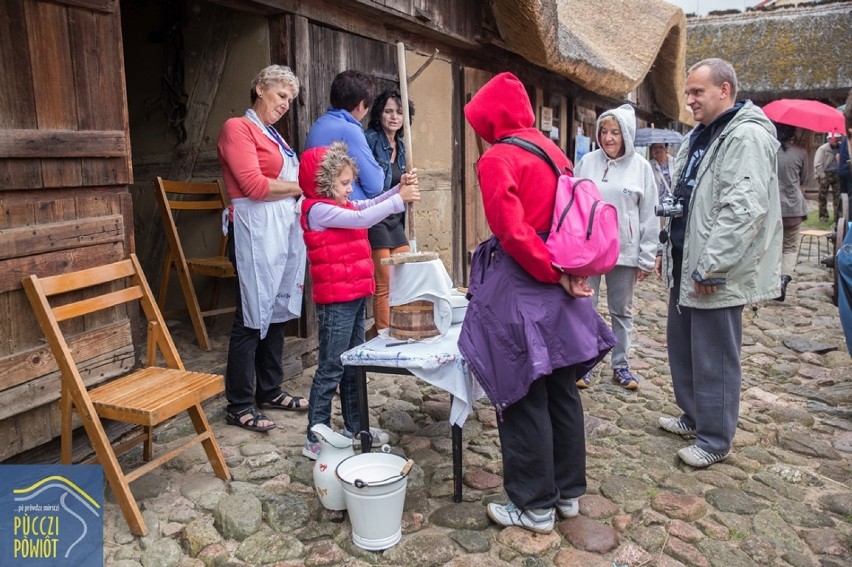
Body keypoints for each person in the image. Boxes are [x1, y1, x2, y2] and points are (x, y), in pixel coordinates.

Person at [460, 72, 616, 534]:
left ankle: (533, 505)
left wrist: (551, 272)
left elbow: (511, 231)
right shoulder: (554, 151)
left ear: (488, 119)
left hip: (527, 284)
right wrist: (566, 273)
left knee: (523, 393)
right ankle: (567, 493)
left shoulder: (497, 158)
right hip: (563, 287)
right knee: (561, 391)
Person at [656, 58, 781, 468]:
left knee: (715, 355)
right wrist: (667, 251)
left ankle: (715, 439)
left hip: (715, 270)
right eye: (688, 92)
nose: (689, 100)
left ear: (724, 90)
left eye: (697, 92)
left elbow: (743, 209)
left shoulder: (744, 137)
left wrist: (713, 265)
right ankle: (694, 417)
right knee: (684, 348)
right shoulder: (700, 135)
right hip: (685, 258)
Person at [298, 142, 420, 460]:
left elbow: (368, 204)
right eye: (344, 183)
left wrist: (397, 190)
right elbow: (364, 219)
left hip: (354, 295)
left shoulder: (342, 204)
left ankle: (355, 427)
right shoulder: (317, 209)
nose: (350, 188)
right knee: (330, 368)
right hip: (335, 300)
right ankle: (315, 434)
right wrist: (398, 202)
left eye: (350, 181)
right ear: (324, 183)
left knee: (353, 366)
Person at [217, 64, 309, 432]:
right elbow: (254, 186)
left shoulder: (272, 135)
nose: (286, 104)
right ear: (259, 87)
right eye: (281, 95)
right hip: (255, 226)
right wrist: (300, 187)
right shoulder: (236, 128)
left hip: (281, 225)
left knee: (276, 309)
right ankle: (238, 403)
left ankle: (269, 390)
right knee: (251, 315)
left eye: (291, 99)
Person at [574, 104, 658, 390]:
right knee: (586, 307)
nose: (609, 138)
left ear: (626, 135)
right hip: (591, 251)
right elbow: (574, 203)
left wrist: (647, 257)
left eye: (615, 132)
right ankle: (584, 364)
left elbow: (649, 213)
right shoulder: (587, 163)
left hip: (624, 251)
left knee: (621, 311)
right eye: (604, 132)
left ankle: (621, 366)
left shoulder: (641, 168)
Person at [364, 89, 415, 336]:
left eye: (399, 112)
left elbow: (400, 183)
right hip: (376, 218)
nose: (394, 117)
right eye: (388, 111)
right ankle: (383, 336)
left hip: (396, 220)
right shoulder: (370, 140)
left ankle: (385, 331)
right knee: (383, 283)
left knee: (403, 278)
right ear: (379, 114)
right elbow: (369, 184)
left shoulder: (402, 147)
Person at [305, 70, 384, 201]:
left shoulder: (318, 124)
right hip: (342, 209)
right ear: (360, 105)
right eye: (367, 106)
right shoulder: (349, 130)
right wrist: (355, 178)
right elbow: (375, 185)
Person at [774, 124, 808, 302]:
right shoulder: (801, 152)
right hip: (794, 207)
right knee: (790, 246)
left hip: (773, 207)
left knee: (773, 245)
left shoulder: (770, 152)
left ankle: (771, 280)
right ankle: (784, 278)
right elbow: (804, 179)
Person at [814, 133, 842, 223]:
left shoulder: (841, 148)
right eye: (831, 138)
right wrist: (822, 175)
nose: (833, 140)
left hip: (837, 173)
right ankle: (823, 216)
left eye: (835, 138)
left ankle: (837, 217)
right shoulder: (823, 149)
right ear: (828, 139)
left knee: (838, 196)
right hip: (826, 173)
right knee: (822, 196)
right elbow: (818, 163)